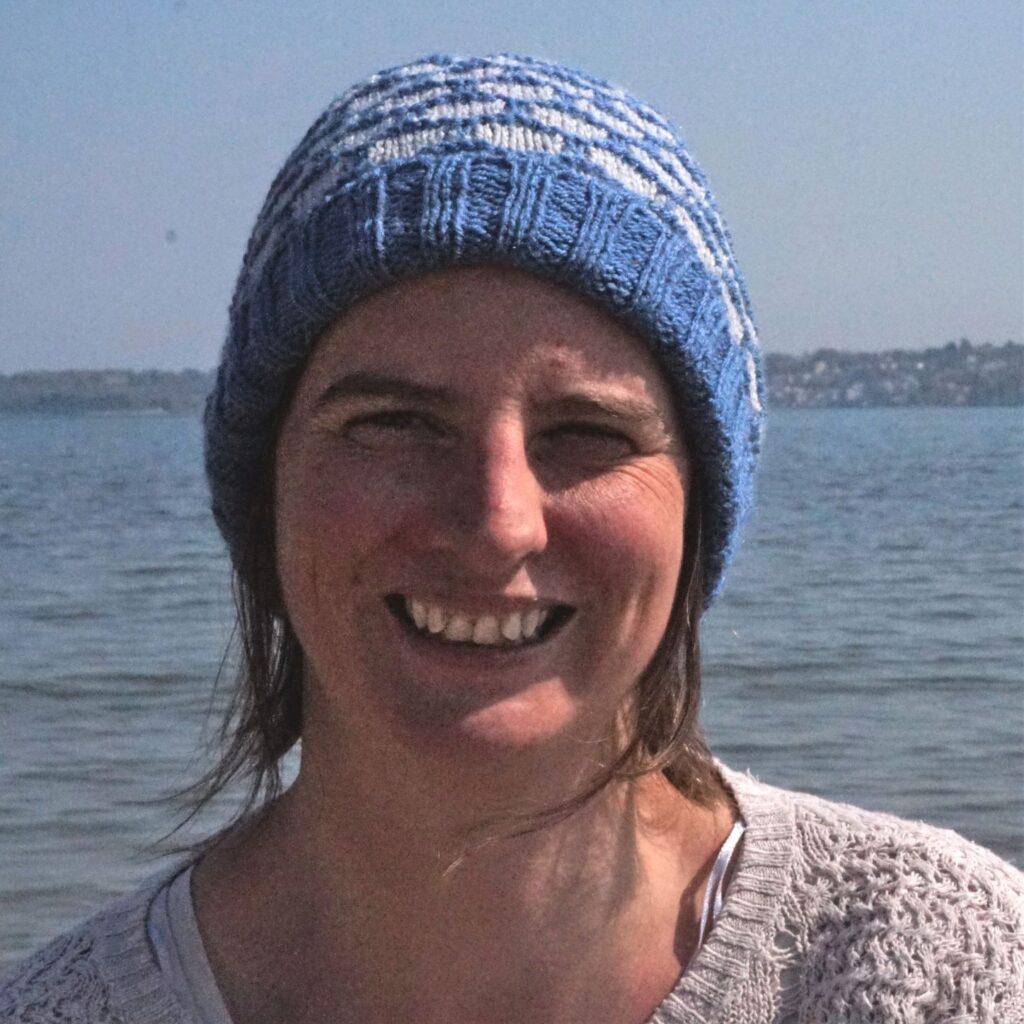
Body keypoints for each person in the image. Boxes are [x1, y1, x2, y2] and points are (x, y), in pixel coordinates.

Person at [2, 52, 1021, 1024]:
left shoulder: (939, 972)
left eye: (586, 433)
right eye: (394, 422)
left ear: (696, 506)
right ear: (266, 484)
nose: (496, 523)